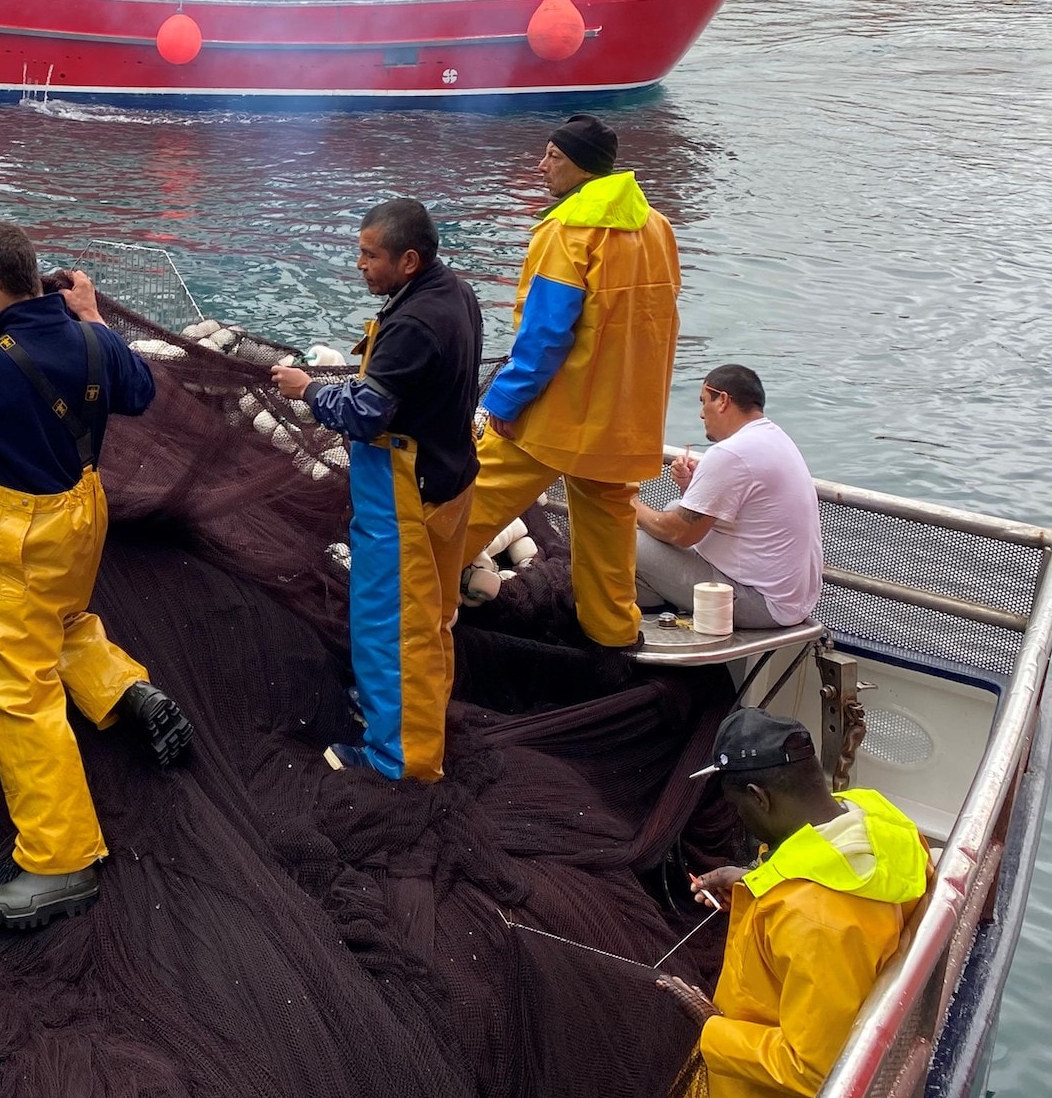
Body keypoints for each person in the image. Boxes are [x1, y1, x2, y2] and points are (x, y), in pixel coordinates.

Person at [0, 222, 193, 930]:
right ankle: (125, 690)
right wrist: (92, 312)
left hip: (23, 533)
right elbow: (140, 390)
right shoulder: (93, 341)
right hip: (84, 512)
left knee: (16, 687)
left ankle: (62, 860)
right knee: (64, 621)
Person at [271, 198, 482, 782]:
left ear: (408, 260)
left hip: (406, 496)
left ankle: (400, 759)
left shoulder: (412, 324)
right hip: (450, 479)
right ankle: (415, 716)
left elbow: (365, 414)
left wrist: (309, 390)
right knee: (433, 617)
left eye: (370, 255)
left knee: (394, 626)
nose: (359, 264)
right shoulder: (456, 293)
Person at [463, 115, 680, 653]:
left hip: (557, 414)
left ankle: (404, 594)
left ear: (581, 165)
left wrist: (506, 400)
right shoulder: (656, 227)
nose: (541, 166)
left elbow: (545, 334)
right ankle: (613, 638)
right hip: (624, 418)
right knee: (608, 531)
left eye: (553, 156)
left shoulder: (568, 231)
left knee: (465, 502)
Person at [660, 707, 928, 1098]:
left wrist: (712, 1028)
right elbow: (824, 878)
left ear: (759, 797)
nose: (739, 819)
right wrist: (756, 881)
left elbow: (815, 1068)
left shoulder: (812, 919)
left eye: (737, 807)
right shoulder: (876, 820)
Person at [633, 365, 823, 629]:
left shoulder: (731, 453)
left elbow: (681, 533)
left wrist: (629, 504)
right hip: (791, 600)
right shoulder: (773, 438)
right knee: (675, 506)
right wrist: (692, 486)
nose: (701, 414)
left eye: (704, 402)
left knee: (628, 539)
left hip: (761, 604)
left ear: (722, 400)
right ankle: (660, 601)